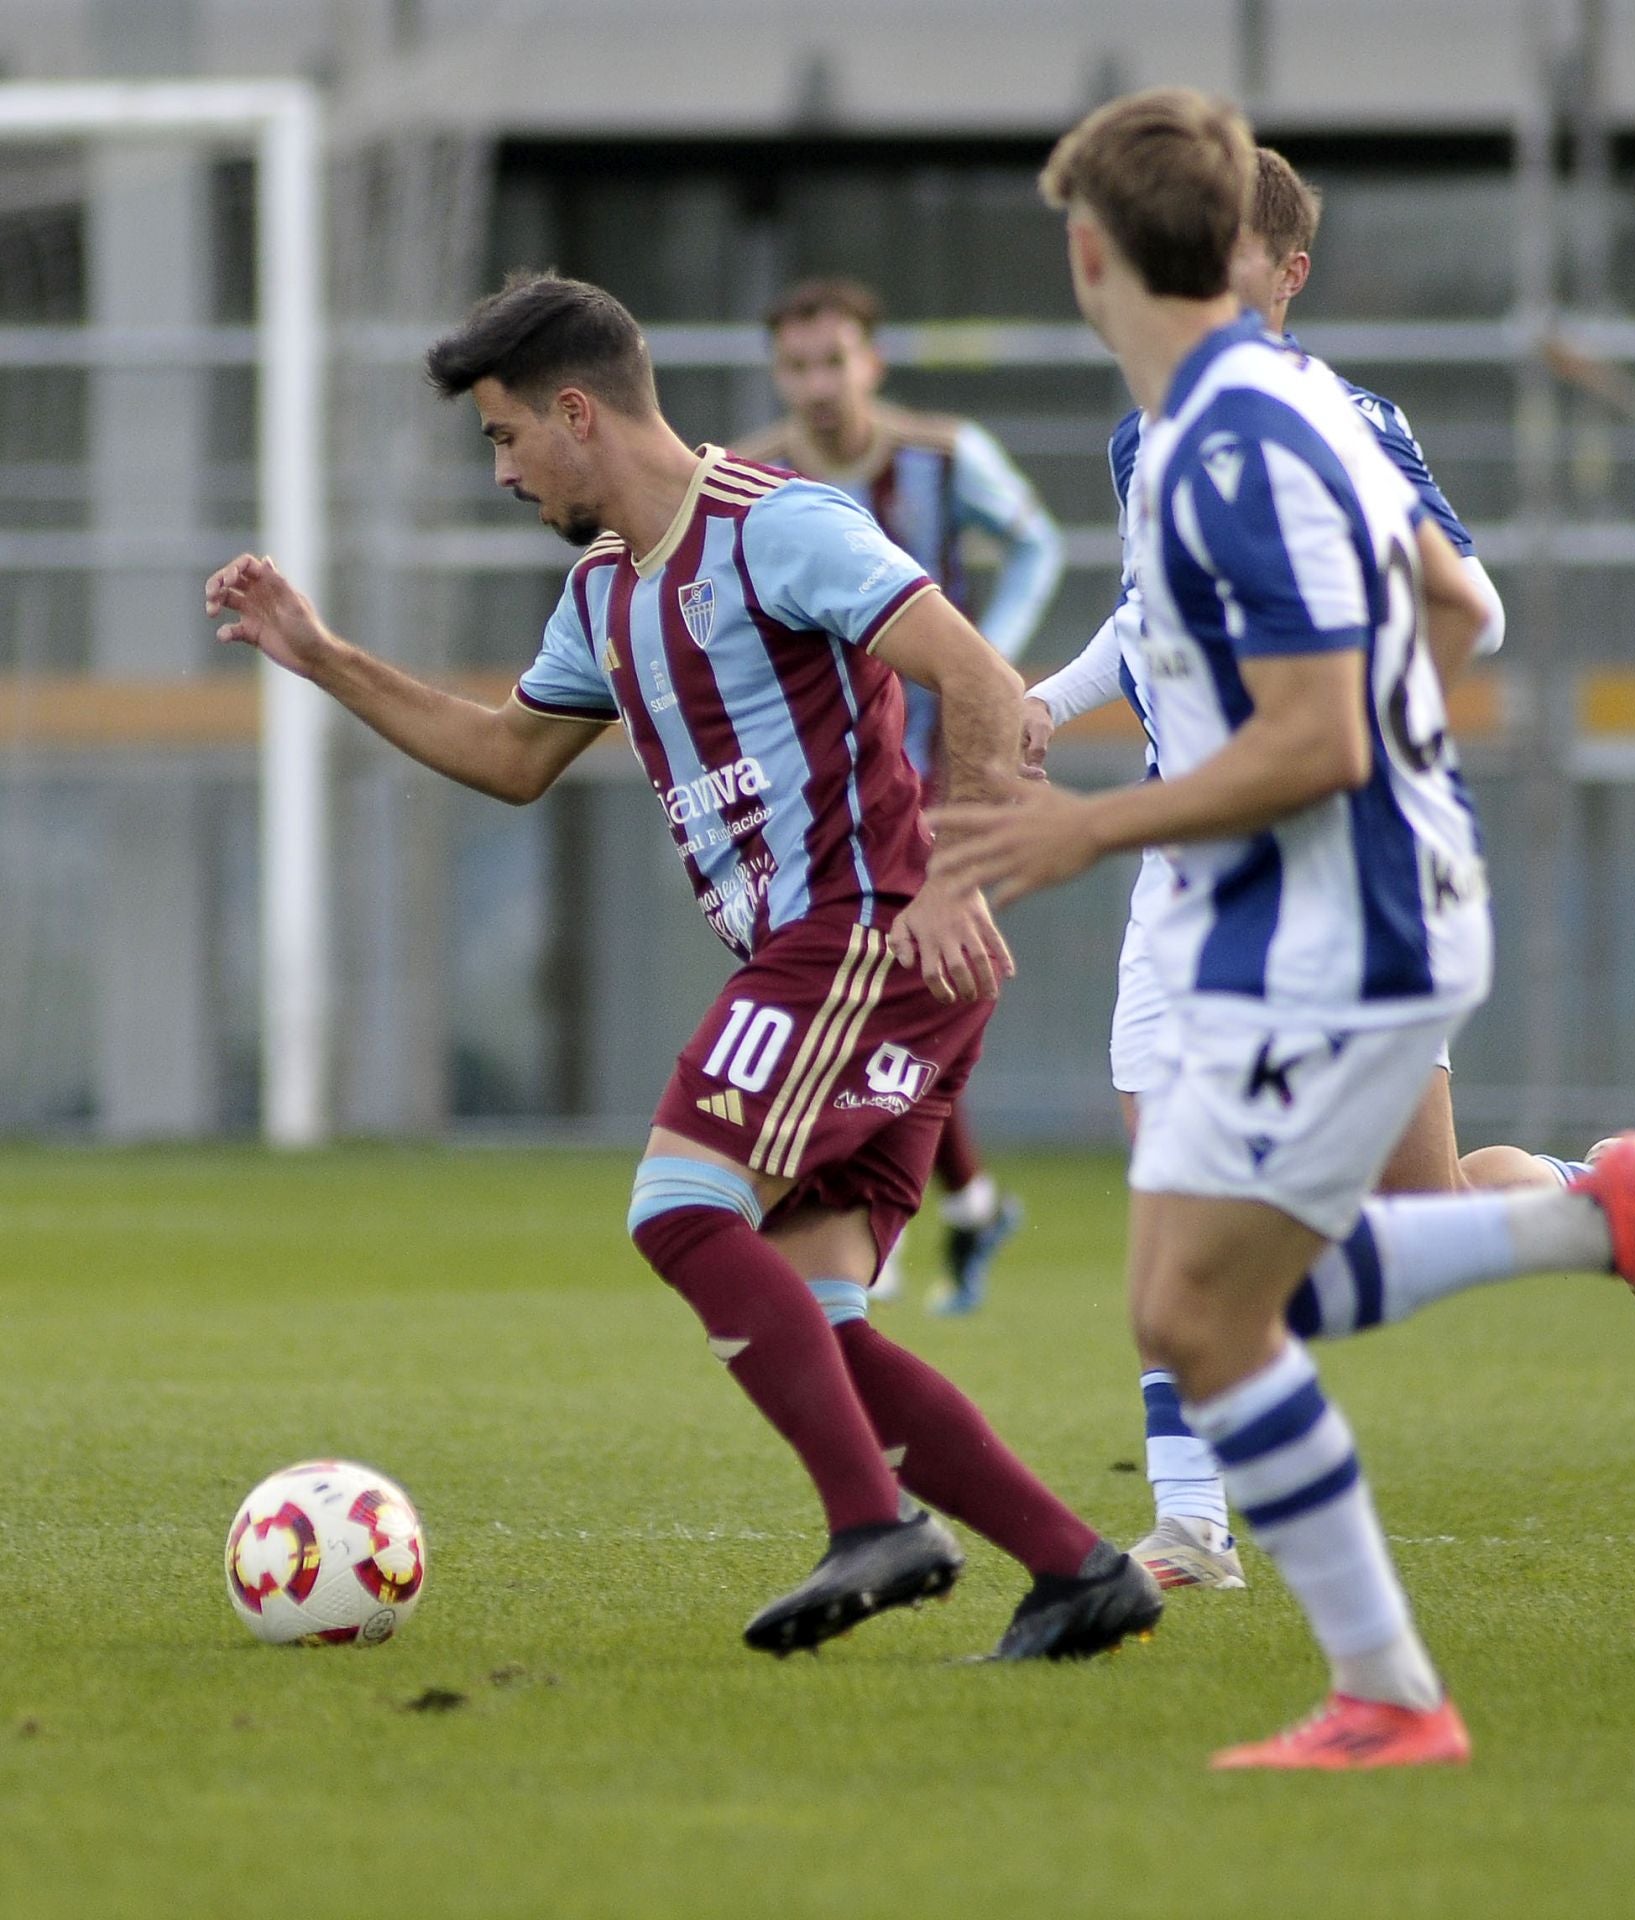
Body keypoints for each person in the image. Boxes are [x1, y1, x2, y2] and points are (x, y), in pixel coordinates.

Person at [932, 89, 1635, 1768]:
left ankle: (1583, 1232)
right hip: (1292, 883)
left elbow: (1334, 716)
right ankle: (1360, 1665)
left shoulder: (1245, 437)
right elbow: (1437, 609)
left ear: (1094, 252)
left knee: (1234, 1297)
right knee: (1201, 1296)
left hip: (1324, 896)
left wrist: (1100, 819)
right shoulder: (1222, 419)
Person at [205, 270, 1161, 1662]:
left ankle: (872, 1527)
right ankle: (1079, 1570)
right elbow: (510, 759)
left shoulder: (780, 528)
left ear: (575, 413)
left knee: (678, 1203)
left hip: (863, 933)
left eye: (503, 435)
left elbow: (977, 677)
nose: (504, 470)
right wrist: (324, 657)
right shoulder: (604, 595)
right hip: (858, 959)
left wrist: (954, 873)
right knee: (824, 1317)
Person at [735, 278, 1064, 1314]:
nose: (818, 383)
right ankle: (960, 1206)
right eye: (798, 366)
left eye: (835, 360)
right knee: (908, 989)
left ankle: (880, 1227)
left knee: (915, 981)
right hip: (815, 793)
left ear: (871, 362)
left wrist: (987, 656)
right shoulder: (754, 476)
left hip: (940, 775)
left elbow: (1038, 543)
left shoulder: (941, 454)